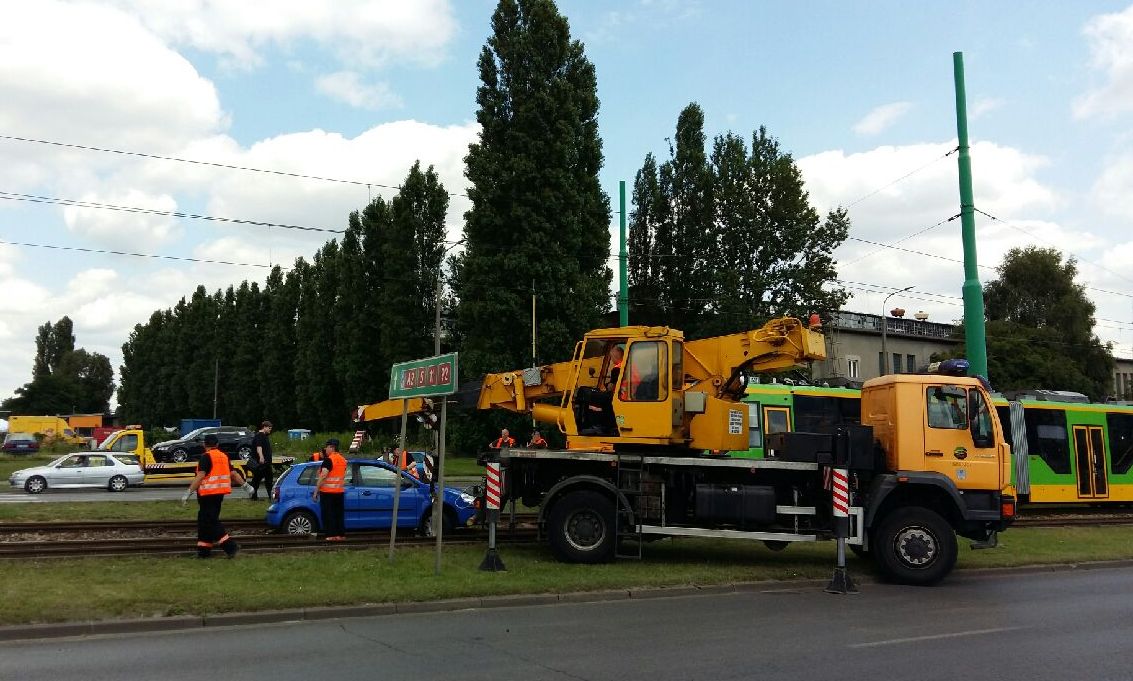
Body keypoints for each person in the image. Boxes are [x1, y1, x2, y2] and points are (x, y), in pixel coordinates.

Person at [181, 433, 254, 558]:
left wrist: (188, 492)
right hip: (218, 494)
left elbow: (200, 476)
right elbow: (234, 474)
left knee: (211, 522)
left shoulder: (206, 457)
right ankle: (203, 552)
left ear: (205, 445)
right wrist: (246, 486)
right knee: (204, 522)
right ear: (217, 445)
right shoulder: (223, 456)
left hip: (207, 495)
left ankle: (231, 548)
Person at [311, 438, 347, 541]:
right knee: (338, 515)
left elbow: (323, 476)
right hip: (339, 492)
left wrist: (316, 491)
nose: (325, 449)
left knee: (328, 514)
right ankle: (340, 535)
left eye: (326, 447)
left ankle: (331, 535)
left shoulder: (329, 460)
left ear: (331, 447)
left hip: (327, 493)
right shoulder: (343, 459)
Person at [249, 420, 273, 501]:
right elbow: (259, 447)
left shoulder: (264, 436)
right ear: (264, 427)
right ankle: (270, 496)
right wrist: (261, 457)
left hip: (265, 463)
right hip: (262, 463)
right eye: (269, 428)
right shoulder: (260, 435)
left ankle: (254, 496)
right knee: (266, 480)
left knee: (257, 480)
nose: (270, 430)